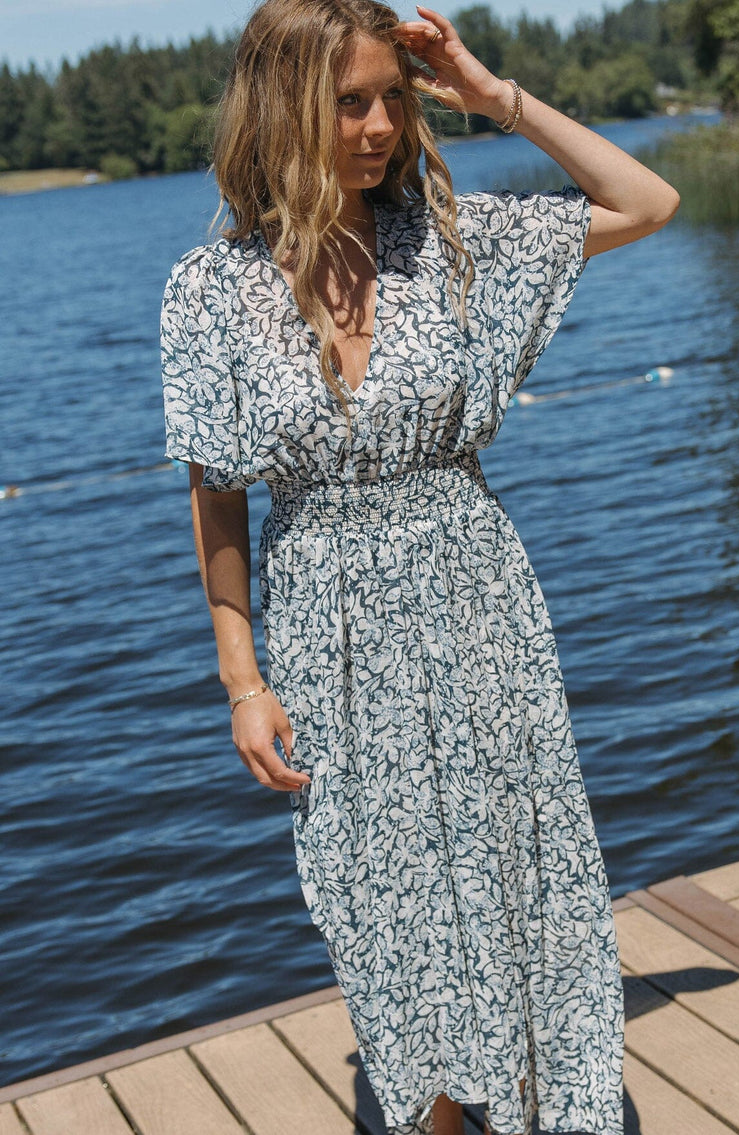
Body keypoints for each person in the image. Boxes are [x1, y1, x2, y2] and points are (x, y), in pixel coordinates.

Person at [160, 2, 679, 1133]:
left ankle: (543, 1100)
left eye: (391, 98)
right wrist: (242, 681)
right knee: (382, 915)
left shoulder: (449, 239)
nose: (380, 125)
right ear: (284, 106)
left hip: (474, 598)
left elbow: (646, 201)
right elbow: (215, 495)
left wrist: (492, 96)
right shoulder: (210, 290)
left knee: (511, 882)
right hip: (326, 632)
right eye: (350, 101)